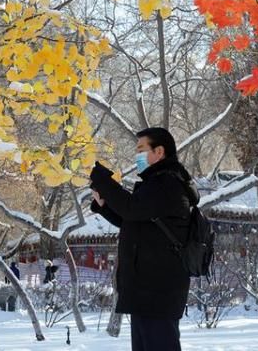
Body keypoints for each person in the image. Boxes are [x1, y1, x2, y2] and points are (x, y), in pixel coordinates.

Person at [89, 127, 198, 351]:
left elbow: (132, 209)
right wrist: (104, 206)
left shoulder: (168, 183)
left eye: (141, 149)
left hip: (158, 290)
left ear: (159, 152)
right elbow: (135, 222)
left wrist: (104, 182)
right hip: (148, 289)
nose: (136, 154)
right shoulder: (156, 183)